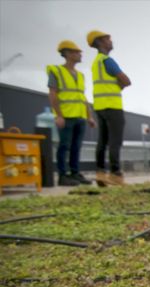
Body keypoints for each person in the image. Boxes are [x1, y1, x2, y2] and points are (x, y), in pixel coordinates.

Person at [47, 40, 96, 186]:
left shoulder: (80, 75)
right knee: (64, 146)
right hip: (66, 117)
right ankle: (63, 176)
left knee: (76, 147)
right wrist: (59, 115)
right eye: (77, 52)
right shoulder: (56, 71)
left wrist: (89, 116)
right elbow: (53, 94)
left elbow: (82, 97)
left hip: (80, 117)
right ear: (67, 53)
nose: (80, 54)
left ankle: (75, 173)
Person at [87, 30, 131, 186]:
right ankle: (115, 174)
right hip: (112, 105)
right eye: (108, 39)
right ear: (100, 42)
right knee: (115, 141)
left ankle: (100, 174)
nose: (111, 42)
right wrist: (120, 84)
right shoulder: (107, 60)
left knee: (102, 141)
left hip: (99, 106)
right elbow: (126, 80)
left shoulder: (96, 62)